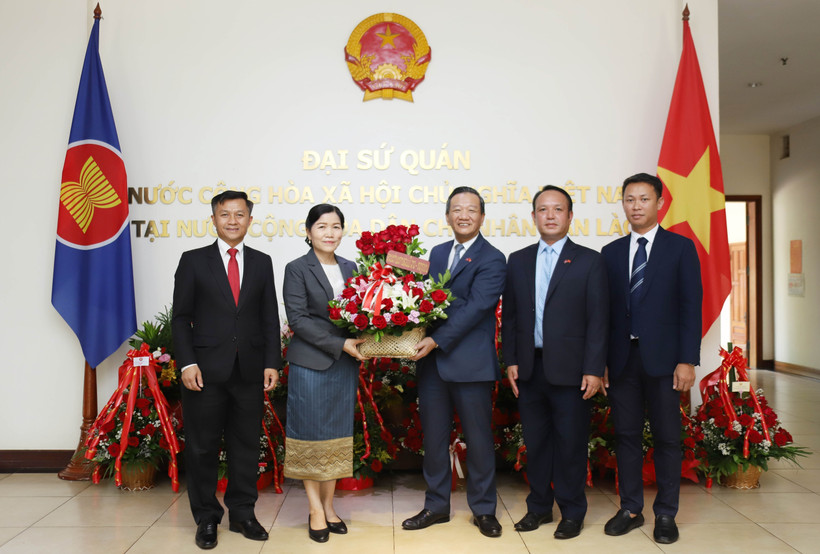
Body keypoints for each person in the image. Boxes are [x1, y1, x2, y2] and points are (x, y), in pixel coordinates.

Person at [172, 190, 281, 550]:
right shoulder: (193, 261)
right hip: (203, 372)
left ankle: (243, 514)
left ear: (250, 219)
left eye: (239, 214)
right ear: (213, 219)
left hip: (249, 370)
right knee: (202, 448)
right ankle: (206, 517)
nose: (232, 221)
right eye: (225, 214)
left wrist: (271, 362)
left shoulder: (262, 262)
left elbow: (269, 317)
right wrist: (187, 363)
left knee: (246, 446)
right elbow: (181, 318)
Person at [502, 185, 608, 540]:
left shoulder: (590, 261)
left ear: (570, 216)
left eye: (557, 209)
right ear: (533, 216)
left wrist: (594, 368)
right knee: (536, 445)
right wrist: (511, 359)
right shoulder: (518, 260)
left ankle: (572, 512)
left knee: (570, 445)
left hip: (573, 371)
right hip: (529, 369)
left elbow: (598, 320)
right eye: (543, 209)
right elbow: (511, 316)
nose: (550, 215)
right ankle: (538, 508)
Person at [601, 173, 702, 545]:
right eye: (630, 199)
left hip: (665, 362)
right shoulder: (610, 252)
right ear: (623, 204)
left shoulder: (680, 248)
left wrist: (687, 359)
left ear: (659, 203)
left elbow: (691, 307)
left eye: (644, 199)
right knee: (626, 436)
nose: (636, 206)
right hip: (622, 360)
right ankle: (630, 509)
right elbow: (604, 313)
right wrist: (601, 361)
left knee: (667, 438)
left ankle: (665, 513)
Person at [402, 187, 507, 538]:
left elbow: (476, 308)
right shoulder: (438, 252)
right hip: (433, 365)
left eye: (471, 210)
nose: (464, 215)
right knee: (433, 439)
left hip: (470, 364)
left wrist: (435, 339)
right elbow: (421, 283)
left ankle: (484, 510)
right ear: (447, 216)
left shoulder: (493, 258)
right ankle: (436, 506)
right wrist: (388, 255)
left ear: (482, 217)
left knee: (478, 440)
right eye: (457, 209)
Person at [282, 204, 366, 544]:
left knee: (336, 436)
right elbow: (298, 320)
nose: (329, 233)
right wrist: (340, 343)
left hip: (344, 365)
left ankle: (330, 507)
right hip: (310, 364)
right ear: (308, 232)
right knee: (310, 435)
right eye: (321, 226)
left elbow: (361, 312)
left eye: (335, 226)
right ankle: (314, 508)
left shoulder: (351, 267)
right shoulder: (296, 268)